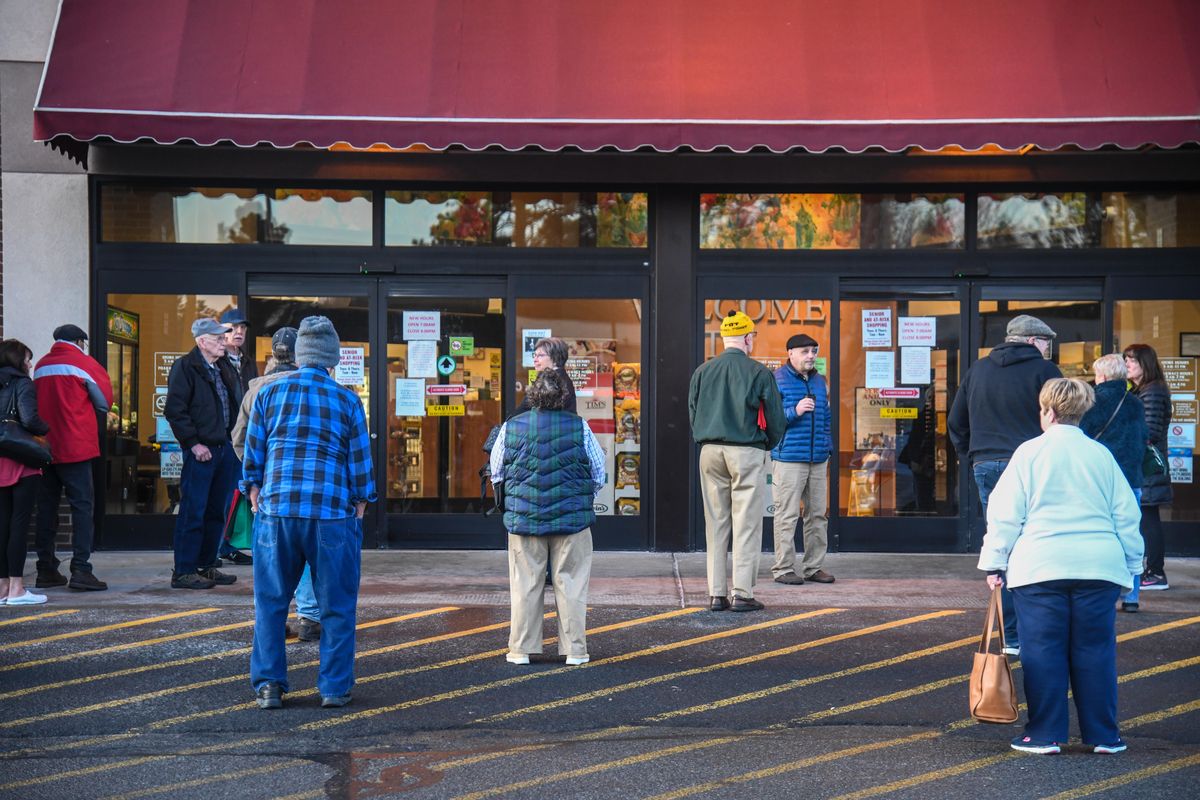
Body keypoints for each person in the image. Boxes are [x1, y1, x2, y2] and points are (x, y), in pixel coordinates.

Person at [978, 378, 1142, 756]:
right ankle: (1105, 736)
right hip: (1099, 566)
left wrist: (994, 562)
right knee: (1095, 649)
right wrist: (1132, 564)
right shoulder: (1101, 455)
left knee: (1043, 649)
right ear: (1081, 413)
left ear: (1049, 412)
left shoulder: (1029, 453)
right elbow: (1125, 515)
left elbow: (1005, 515)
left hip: (1041, 566)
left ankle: (1045, 734)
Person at [243, 316, 376, 709]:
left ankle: (269, 686)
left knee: (271, 602)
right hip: (331, 515)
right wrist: (361, 502)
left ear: (300, 356)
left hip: (278, 512)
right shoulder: (347, 400)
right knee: (336, 606)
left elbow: (253, 457)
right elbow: (360, 466)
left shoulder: (269, 394)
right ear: (332, 359)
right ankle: (333, 688)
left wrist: (254, 493)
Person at [948, 314, 1062, 654]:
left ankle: (1011, 636)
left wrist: (973, 456)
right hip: (1032, 464)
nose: (1047, 349)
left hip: (986, 464)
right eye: (1045, 343)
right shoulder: (1046, 373)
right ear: (1030, 341)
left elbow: (957, 422)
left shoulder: (977, 370)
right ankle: (1033, 631)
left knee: (1003, 546)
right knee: (1036, 545)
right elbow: (1061, 418)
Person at [490, 368, 605, 666]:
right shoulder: (580, 427)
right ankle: (575, 651)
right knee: (572, 583)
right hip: (573, 521)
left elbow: (497, 471)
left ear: (532, 396)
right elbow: (598, 473)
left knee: (525, 583)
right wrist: (583, 497)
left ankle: (521, 650)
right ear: (563, 397)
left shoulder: (511, 427)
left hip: (524, 519)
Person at [689, 309, 786, 612]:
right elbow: (776, 419)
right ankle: (741, 592)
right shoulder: (758, 372)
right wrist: (766, 444)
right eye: (752, 337)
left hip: (709, 450)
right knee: (746, 523)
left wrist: (704, 438)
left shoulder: (703, 371)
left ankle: (716, 593)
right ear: (746, 338)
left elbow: (692, 411)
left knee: (715, 522)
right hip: (745, 450)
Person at [232, 326, 321, 642]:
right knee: (309, 553)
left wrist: (254, 478)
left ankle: (272, 620)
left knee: (269, 557)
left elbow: (239, 439)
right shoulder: (311, 386)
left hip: (267, 488)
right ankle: (310, 617)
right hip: (307, 485)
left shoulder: (255, 388)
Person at [32, 323, 114, 592]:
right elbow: (104, 402)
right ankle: (81, 569)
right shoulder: (85, 363)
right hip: (76, 446)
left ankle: (45, 569)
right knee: (81, 507)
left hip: (44, 447)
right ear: (80, 341)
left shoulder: (41, 365)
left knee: (46, 509)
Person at [164, 318, 242, 590]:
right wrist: (193, 444)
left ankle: (207, 566)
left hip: (224, 450)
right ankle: (184, 571)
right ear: (201, 341)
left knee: (216, 512)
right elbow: (175, 411)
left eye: (224, 337)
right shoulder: (185, 367)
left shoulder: (222, 367)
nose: (224, 341)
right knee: (193, 511)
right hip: (201, 452)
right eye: (218, 338)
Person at [1080, 354, 1147, 613]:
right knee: (1130, 534)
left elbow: (1082, 436)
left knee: (1096, 533)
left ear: (1104, 376)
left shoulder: (1091, 401)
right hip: (1131, 479)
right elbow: (1144, 437)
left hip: (1098, 481)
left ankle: (1098, 588)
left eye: (1097, 374)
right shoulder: (1135, 404)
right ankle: (1132, 596)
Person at [770, 333, 834, 586]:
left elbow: (826, 417)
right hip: (789, 458)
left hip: (818, 458)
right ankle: (783, 568)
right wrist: (794, 411)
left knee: (818, 515)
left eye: (814, 351)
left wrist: (827, 446)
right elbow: (770, 418)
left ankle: (813, 567)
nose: (811, 356)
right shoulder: (777, 380)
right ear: (790, 354)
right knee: (786, 515)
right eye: (805, 351)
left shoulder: (820, 382)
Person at [0, 340, 51, 605]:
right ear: (16, 360)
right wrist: (45, 429)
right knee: (20, 524)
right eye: (28, 359)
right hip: (20, 462)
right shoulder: (22, 383)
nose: (30, 365)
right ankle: (17, 588)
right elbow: (30, 419)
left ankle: (2, 588)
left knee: (2, 525)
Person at [1123, 343, 1173, 592]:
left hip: (1148, 467)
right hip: (1145, 466)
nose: (1127, 365)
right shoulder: (1143, 390)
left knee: (1149, 518)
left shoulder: (1152, 392)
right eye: (1126, 360)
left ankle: (1156, 573)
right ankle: (1152, 570)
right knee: (1146, 518)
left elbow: (1150, 432)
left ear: (1145, 364)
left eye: (1131, 361)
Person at [517, 337, 576, 414]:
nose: (535, 359)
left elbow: (525, 408)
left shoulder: (553, 380)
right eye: (534, 355)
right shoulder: (557, 377)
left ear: (555, 359)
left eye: (540, 355)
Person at [220, 309, 258, 392]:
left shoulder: (250, 363)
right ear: (222, 329)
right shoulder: (215, 360)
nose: (240, 331)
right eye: (234, 326)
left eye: (243, 327)